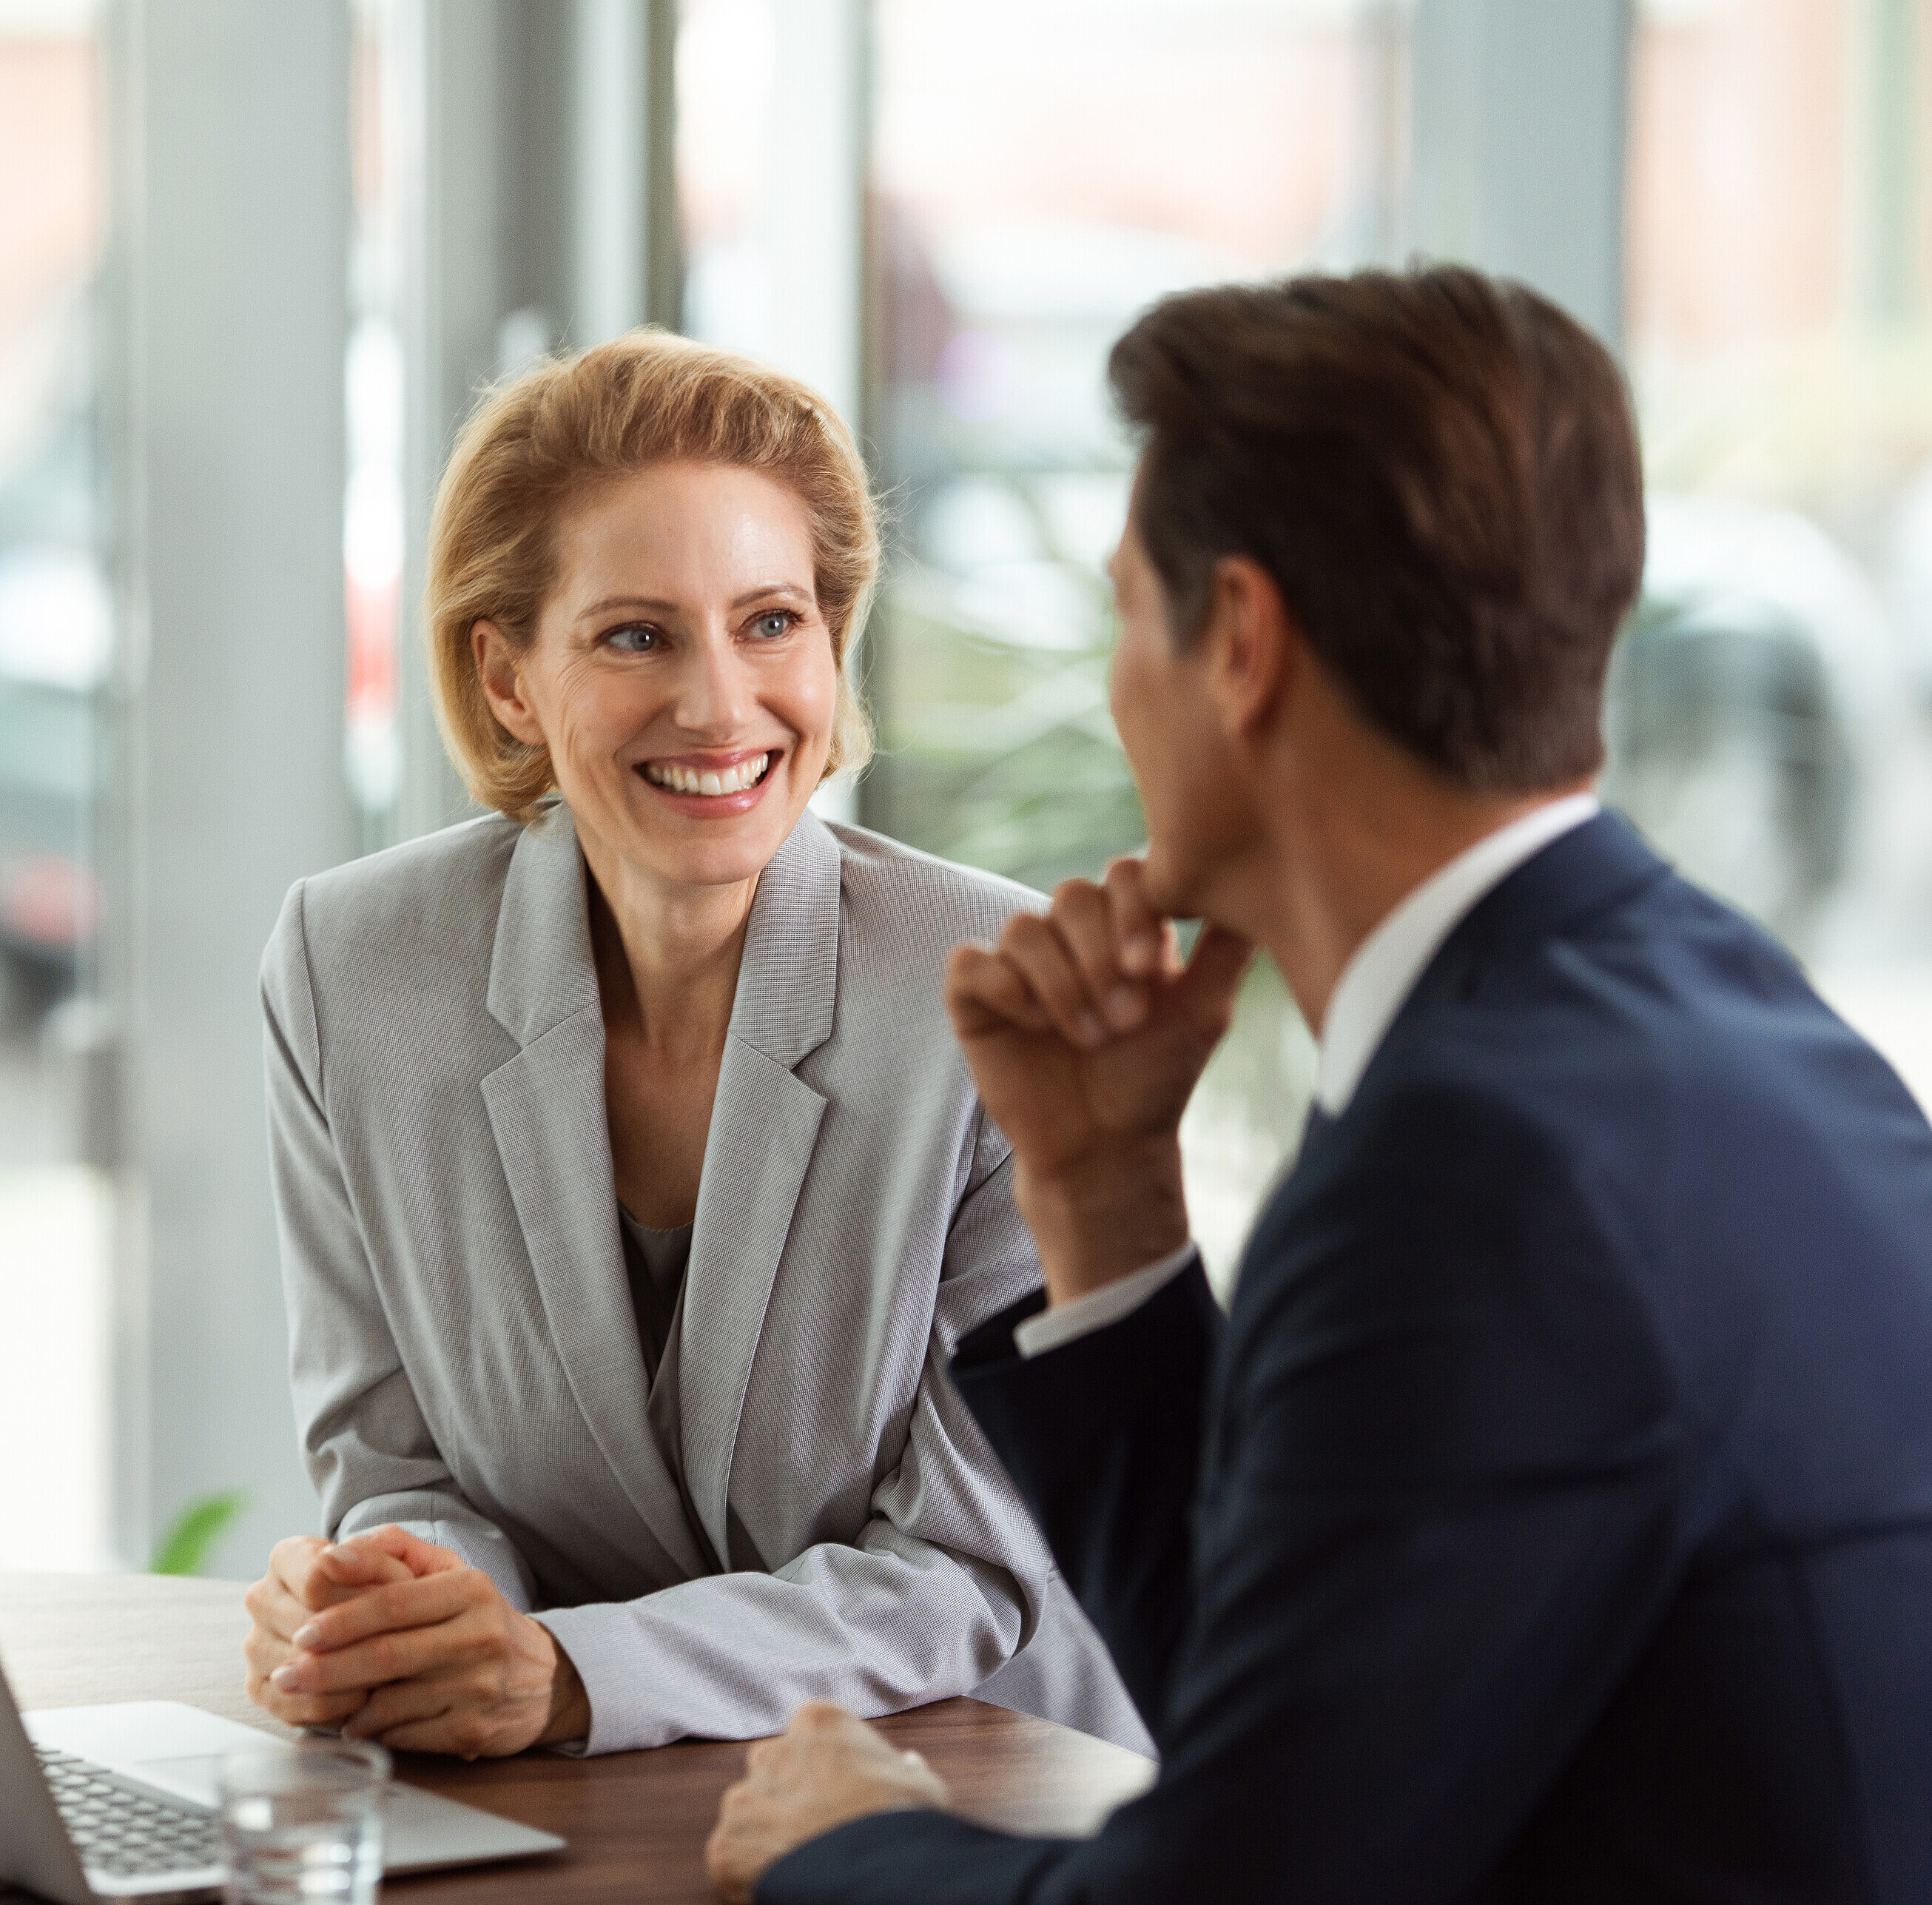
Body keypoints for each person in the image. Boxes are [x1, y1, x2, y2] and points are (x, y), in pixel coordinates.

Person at [704, 268, 1932, 1901]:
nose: (1118, 686)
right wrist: (1102, 1191)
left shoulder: (1480, 1170)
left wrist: (847, 1853)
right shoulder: (1721, 1018)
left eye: (1129, 612)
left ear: (1245, 645)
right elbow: (1296, 1732)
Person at [239, 332, 1144, 1761]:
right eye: (636, 634)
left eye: (773, 621)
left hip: (953, 1792)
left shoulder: (999, 997)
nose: (721, 704)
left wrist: (570, 1674)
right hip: (557, 1809)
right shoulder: (353, 971)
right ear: (510, 680)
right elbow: (395, 1466)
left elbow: (972, 1568)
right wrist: (404, 1604)